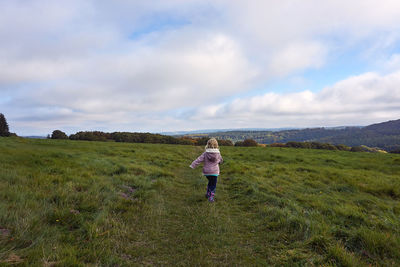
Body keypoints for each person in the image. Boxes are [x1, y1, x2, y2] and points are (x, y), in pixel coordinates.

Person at [190, 138, 223, 202]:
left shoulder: (205, 153)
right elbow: (221, 160)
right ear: (216, 145)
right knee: (213, 184)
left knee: (210, 182)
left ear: (208, 145)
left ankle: (208, 194)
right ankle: (211, 197)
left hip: (207, 172)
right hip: (215, 172)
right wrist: (220, 162)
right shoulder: (218, 153)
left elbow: (199, 159)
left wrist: (193, 165)